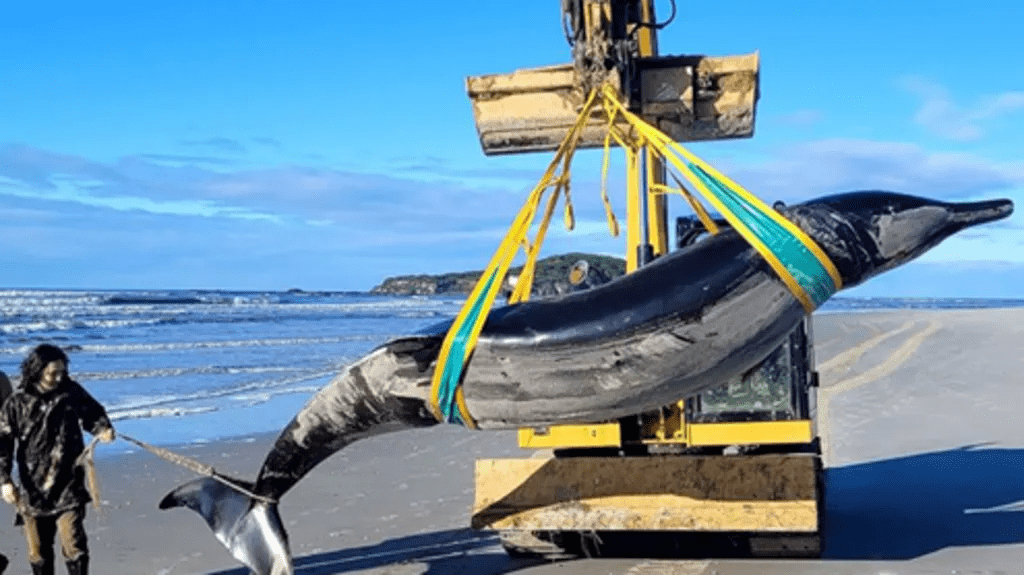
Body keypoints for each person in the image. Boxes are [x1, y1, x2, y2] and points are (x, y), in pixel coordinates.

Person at [0, 345, 115, 575]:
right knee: (38, 553)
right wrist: (4, 481)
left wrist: (103, 428)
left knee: (74, 546)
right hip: (32, 489)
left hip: (68, 485)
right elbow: (3, 443)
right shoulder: (16, 403)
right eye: (54, 373)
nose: (59, 377)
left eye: (62, 371)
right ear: (38, 370)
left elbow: (93, 412)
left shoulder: (70, 392)